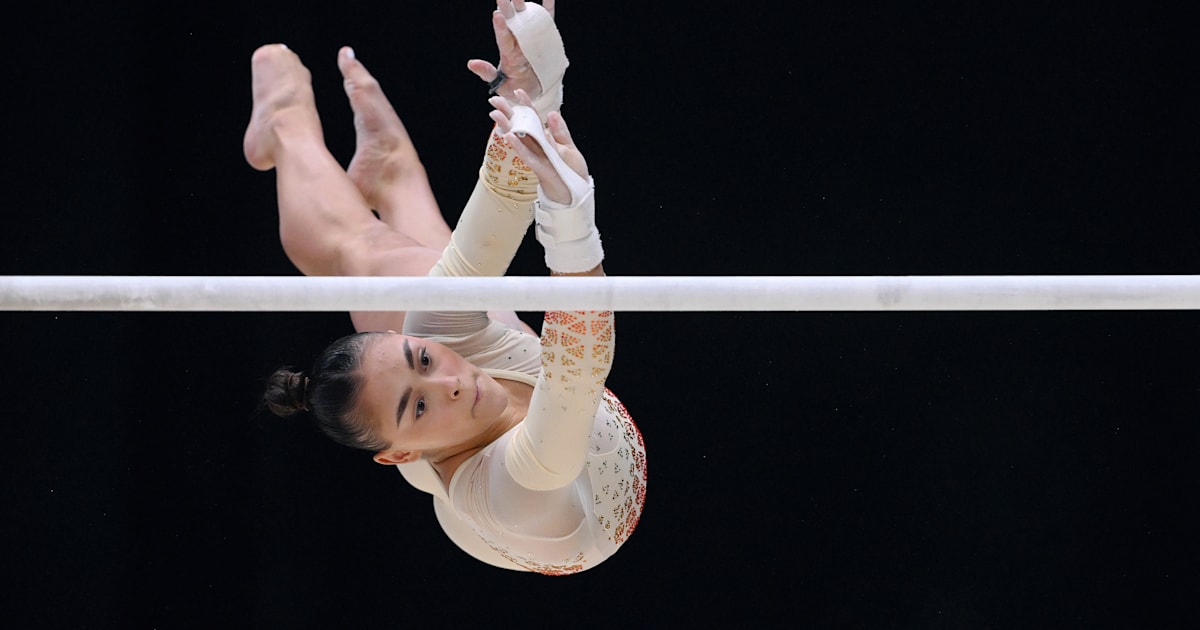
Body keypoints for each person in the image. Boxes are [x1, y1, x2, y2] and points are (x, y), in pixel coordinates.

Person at [245, 0, 646, 575]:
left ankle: (365, 161)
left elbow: (498, 213)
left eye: (424, 359)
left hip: (564, 438)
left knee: (413, 273)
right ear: (403, 453)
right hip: (559, 520)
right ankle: (288, 126)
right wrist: (571, 224)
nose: (450, 383)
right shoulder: (516, 492)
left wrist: (529, 92)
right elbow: (576, 372)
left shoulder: (441, 347)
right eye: (420, 404)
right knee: (376, 259)